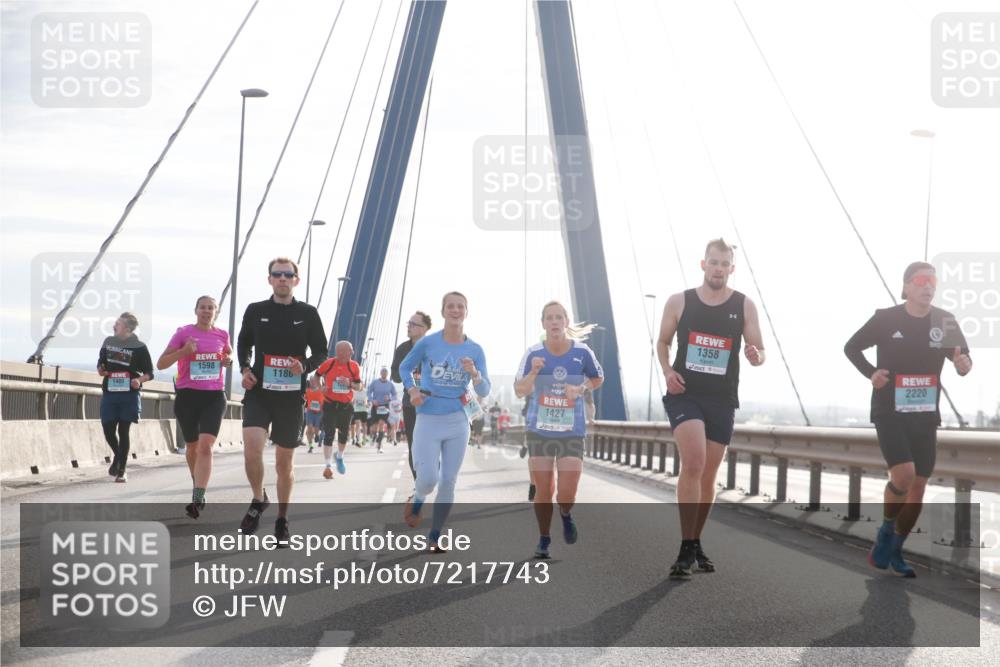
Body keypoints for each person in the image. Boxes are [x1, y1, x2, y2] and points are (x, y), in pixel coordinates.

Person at [845, 261, 972, 578]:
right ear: (906, 287)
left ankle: (895, 550)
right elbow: (851, 347)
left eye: (932, 281)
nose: (927, 286)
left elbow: (964, 362)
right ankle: (886, 531)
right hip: (890, 410)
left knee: (918, 488)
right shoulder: (886, 318)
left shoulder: (945, 321)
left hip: (926, 413)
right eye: (920, 280)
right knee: (903, 474)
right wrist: (871, 373)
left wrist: (961, 363)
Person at [657, 238, 765, 579]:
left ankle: (695, 540)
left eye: (724, 264)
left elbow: (759, 350)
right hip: (685, 394)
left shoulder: (745, 305)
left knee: (709, 475)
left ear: (732, 269)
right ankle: (685, 544)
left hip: (722, 399)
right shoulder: (679, 301)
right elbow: (662, 342)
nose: (718, 268)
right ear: (703, 264)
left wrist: (754, 356)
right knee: (694, 463)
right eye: (713, 262)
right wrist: (668, 371)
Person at [237, 257, 327, 540]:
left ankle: (282, 519)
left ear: (296, 280)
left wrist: (306, 366)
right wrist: (245, 368)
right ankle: (258, 498)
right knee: (252, 448)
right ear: (270, 280)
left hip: (291, 397)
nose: (283, 279)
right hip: (260, 393)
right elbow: (243, 342)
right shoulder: (255, 310)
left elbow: (322, 351)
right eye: (277, 275)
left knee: (283, 463)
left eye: (288, 275)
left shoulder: (309, 313)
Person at [399, 291, 491, 551]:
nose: (455, 310)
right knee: (428, 480)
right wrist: (412, 389)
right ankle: (418, 497)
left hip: (458, 420)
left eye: (460, 306)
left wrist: (475, 374)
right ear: (443, 312)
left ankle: (435, 537)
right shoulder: (428, 343)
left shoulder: (475, 349)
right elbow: (405, 368)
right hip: (428, 418)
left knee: (449, 480)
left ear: (466, 312)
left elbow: (484, 391)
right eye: (450, 306)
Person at [514, 301, 604, 559]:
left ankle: (565, 513)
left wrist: (581, 389)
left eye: (558, 317)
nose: (554, 322)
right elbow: (519, 390)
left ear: (566, 322)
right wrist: (533, 373)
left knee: (566, 493)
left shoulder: (582, 352)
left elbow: (598, 377)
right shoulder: (533, 353)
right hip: (540, 431)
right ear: (543, 324)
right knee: (544, 490)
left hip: (571, 431)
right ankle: (544, 539)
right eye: (549, 318)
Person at [157, 296, 231, 517]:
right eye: (203, 307)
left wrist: (228, 360)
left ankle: (198, 497)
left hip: (214, 397)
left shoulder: (222, 334)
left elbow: (228, 353)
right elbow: (161, 363)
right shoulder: (183, 333)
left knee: (205, 447)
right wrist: (184, 352)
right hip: (188, 396)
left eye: (211, 308)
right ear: (196, 310)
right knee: (192, 447)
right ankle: (196, 481)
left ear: (216, 312)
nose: (206, 311)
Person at [97, 312, 154, 483]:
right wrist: (101, 369)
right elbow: (101, 363)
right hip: (110, 392)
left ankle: (122, 470)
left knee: (123, 431)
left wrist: (139, 379)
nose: (114, 326)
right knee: (107, 429)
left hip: (129, 394)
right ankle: (118, 457)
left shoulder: (140, 347)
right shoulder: (109, 342)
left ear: (127, 329)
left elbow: (150, 373)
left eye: (118, 324)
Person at [392, 311, 432, 478]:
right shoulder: (402, 349)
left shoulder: (435, 347)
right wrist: (407, 370)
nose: (409, 326)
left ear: (425, 329)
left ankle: (431, 476)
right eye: (409, 323)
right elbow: (395, 376)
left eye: (414, 324)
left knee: (431, 445)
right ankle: (419, 484)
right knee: (414, 446)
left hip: (433, 405)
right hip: (410, 404)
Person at [315, 341, 362, 476]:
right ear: (340, 352)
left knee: (343, 435)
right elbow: (316, 376)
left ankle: (340, 456)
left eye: (352, 350)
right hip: (330, 404)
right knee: (329, 434)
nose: (352, 353)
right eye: (350, 350)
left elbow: (359, 386)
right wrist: (320, 387)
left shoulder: (353, 366)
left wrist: (349, 383)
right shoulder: (328, 364)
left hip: (346, 406)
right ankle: (328, 465)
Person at [367, 367, 397, 453]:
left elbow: (395, 394)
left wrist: (390, 398)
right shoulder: (375, 382)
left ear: (387, 374)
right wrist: (372, 400)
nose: (384, 373)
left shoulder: (390, 384)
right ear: (380, 373)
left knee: (381, 424)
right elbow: (368, 392)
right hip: (375, 406)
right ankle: (374, 436)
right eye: (383, 372)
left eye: (386, 372)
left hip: (385, 407)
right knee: (374, 427)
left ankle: (379, 445)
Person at [303, 374, 325, 453]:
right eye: (311, 381)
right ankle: (310, 446)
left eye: (314, 381)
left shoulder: (322, 390)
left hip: (319, 412)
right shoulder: (307, 391)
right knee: (309, 428)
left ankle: (317, 435)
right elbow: (304, 399)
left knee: (316, 429)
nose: (313, 382)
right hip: (310, 412)